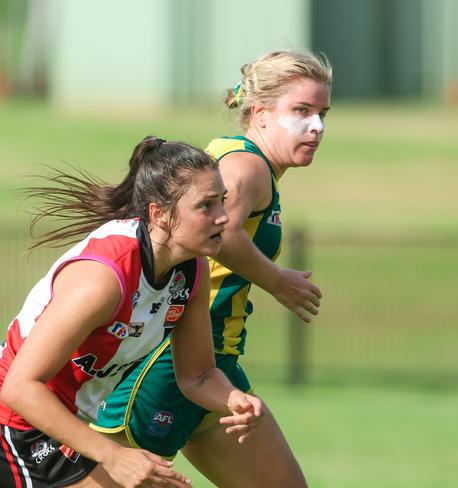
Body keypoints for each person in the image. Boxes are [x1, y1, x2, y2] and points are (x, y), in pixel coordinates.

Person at [93, 50, 332, 487]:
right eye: (302, 111)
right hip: (173, 360)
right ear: (259, 113)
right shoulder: (247, 167)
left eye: (322, 113)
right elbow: (224, 236)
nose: (317, 126)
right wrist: (277, 281)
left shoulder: (241, 160)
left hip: (215, 363)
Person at [0, 136, 264, 487]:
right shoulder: (104, 279)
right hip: (16, 424)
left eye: (222, 201)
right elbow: (19, 387)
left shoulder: (192, 269)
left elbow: (197, 376)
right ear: (160, 214)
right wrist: (112, 455)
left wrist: (232, 398)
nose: (223, 217)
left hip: (57, 425)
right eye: (206, 205)